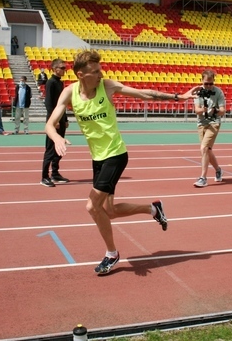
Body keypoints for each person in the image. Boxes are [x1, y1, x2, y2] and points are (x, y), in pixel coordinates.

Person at [45, 49, 196, 275]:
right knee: (110, 211)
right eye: (95, 71)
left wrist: (178, 97)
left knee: (91, 206)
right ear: (80, 75)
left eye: (100, 70)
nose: (100, 74)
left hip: (115, 154)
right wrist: (57, 137)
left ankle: (111, 253)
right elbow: (49, 124)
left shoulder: (107, 86)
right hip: (97, 157)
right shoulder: (69, 93)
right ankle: (153, 209)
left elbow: (145, 94)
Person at [193, 69, 226, 188]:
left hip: (214, 122)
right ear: (202, 81)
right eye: (206, 83)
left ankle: (203, 178)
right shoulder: (198, 92)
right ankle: (218, 169)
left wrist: (215, 110)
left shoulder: (218, 92)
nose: (208, 86)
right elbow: (197, 110)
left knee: (204, 148)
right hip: (201, 123)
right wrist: (204, 110)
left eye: (211, 83)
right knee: (207, 150)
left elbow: (222, 111)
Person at [41, 59, 69, 187]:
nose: (64, 70)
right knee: (51, 149)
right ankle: (44, 176)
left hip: (61, 119)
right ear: (54, 69)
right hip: (54, 120)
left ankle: (55, 173)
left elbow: (63, 104)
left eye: (65, 67)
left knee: (59, 148)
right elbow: (49, 103)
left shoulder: (60, 83)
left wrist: (66, 119)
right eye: (62, 68)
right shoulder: (51, 82)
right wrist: (54, 121)